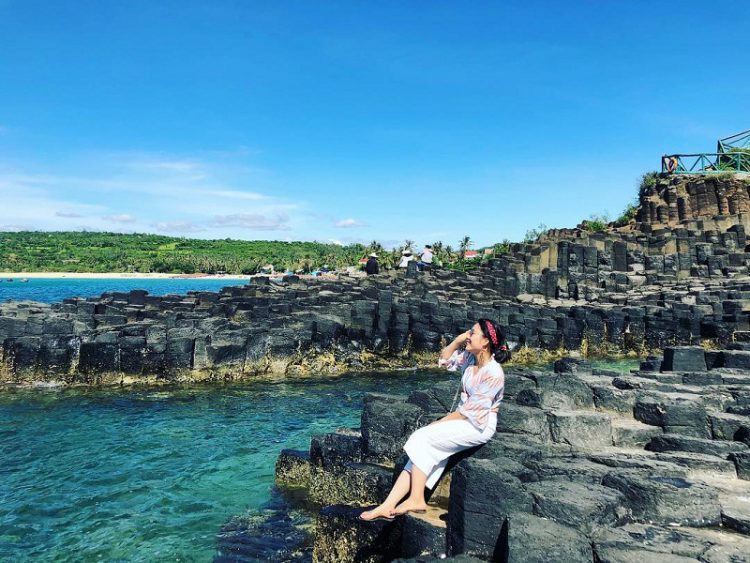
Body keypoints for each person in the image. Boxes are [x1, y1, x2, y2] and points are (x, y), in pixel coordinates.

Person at [359, 319, 510, 521]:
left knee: (421, 437)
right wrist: (457, 341)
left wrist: (440, 422)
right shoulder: (470, 358)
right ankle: (387, 505)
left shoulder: (493, 373)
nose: (468, 335)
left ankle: (416, 499)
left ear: (485, 342)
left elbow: (471, 412)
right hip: (464, 419)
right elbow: (445, 359)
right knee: (421, 452)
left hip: (479, 425)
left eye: (472, 333)